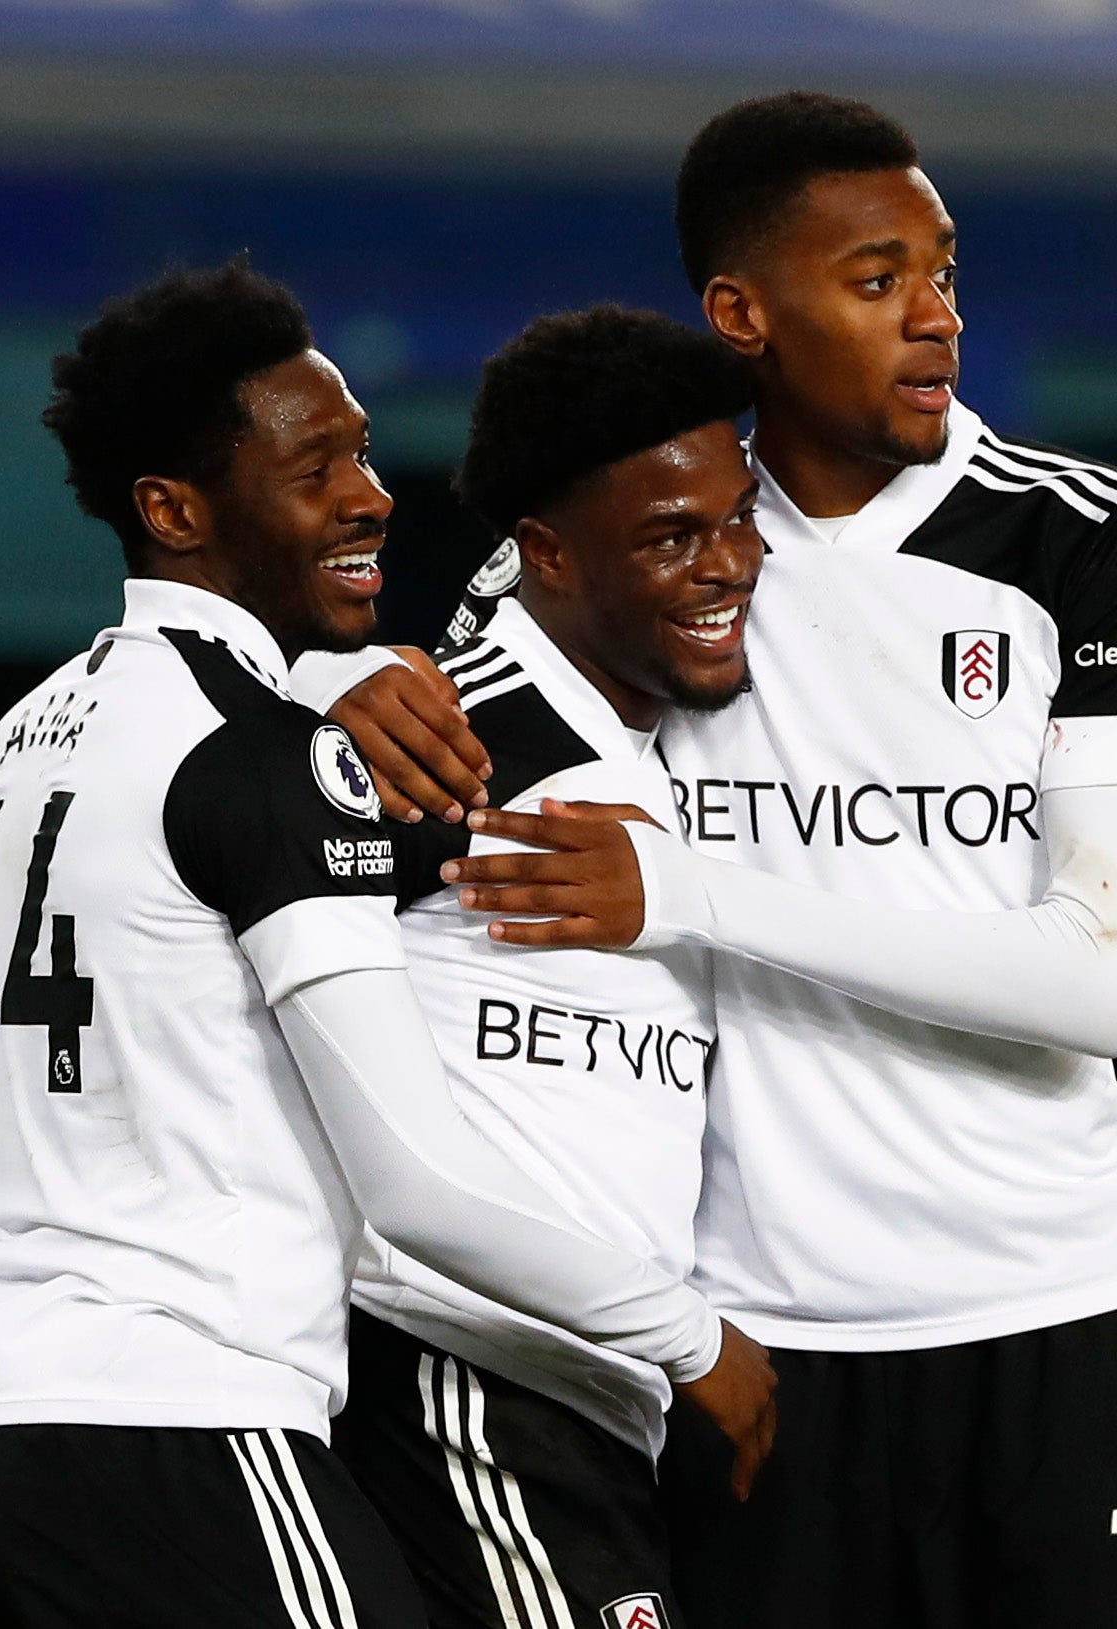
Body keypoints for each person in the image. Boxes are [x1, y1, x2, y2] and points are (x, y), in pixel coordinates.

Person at [314, 96, 1117, 1628]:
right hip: (767, 1366)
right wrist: (321, 685)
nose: (933, 317)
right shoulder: (666, 541)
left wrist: (693, 895)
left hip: (1061, 1321)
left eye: (942, 273)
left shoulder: (1088, 541)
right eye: (876, 281)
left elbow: (1098, 980)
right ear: (742, 314)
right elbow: (448, 683)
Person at [0, 259, 774, 1629]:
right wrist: (693, 1342)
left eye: (361, 454)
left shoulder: (28, 733)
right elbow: (414, 1185)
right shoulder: (283, 762)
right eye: (317, 470)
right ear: (176, 509)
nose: (370, 497)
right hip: (179, 1413)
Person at [331, 305, 771, 1629]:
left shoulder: (671, 757)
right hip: (467, 1375)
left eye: (737, 519)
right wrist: (304, 692)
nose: (727, 566)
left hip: (588, 1404)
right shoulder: (448, 747)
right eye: (669, 538)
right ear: (547, 557)